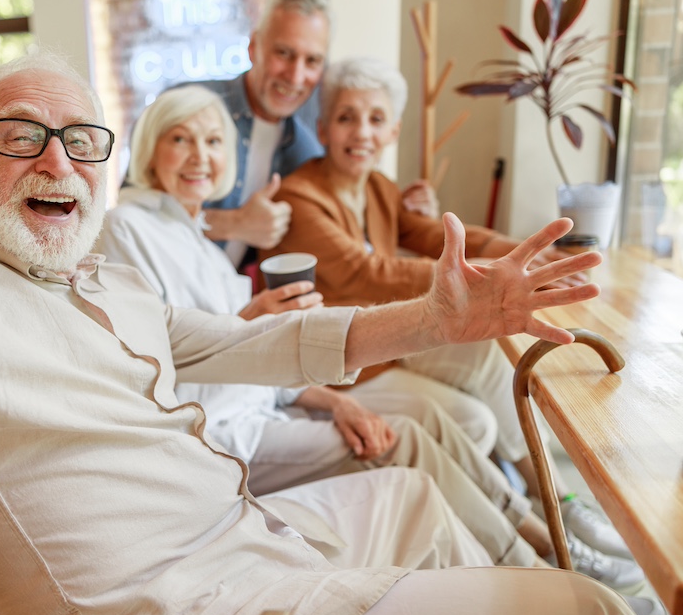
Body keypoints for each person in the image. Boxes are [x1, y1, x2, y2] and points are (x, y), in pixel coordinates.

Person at [0, 52, 656, 615]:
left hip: (246, 543)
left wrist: (437, 321)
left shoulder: (102, 277)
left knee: (406, 490)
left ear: (106, 167)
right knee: (587, 614)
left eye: (79, 139)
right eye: (20, 136)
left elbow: (255, 346)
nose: (57, 159)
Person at [98, 84, 569, 572]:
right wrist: (246, 325)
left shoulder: (203, 246)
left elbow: (257, 366)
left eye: (214, 142)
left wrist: (334, 400)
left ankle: (542, 531)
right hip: (219, 436)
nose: (200, 156)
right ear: (151, 148)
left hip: (267, 410)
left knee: (427, 414)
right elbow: (149, 363)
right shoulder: (127, 228)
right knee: (399, 438)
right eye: (180, 139)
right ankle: (536, 566)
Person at [259, 56, 640, 570]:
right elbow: (374, 272)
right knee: (474, 418)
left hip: (393, 344)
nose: (361, 131)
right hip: (350, 361)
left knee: (492, 358)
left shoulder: (376, 188)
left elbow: (433, 236)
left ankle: (557, 501)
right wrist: (487, 275)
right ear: (323, 127)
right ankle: (539, 529)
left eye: (376, 119)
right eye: (347, 117)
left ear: (393, 128)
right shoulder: (302, 200)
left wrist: (523, 252)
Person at [192, 0, 437, 262]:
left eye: (312, 60)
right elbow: (133, 210)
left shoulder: (303, 149)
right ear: (253, 47)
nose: (296, 76)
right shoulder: (192, 107)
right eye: (283, 53)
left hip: (229, 300)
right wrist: (233, 223)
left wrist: (406, 210)